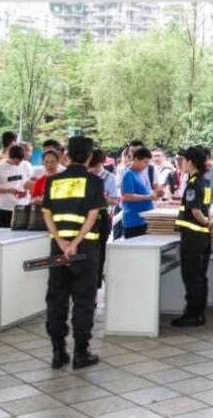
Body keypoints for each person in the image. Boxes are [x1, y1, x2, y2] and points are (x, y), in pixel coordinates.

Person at [40, 137, 103, 370]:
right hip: (84, 249)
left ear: (66, 156)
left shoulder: (53, 181)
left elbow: (47, 215)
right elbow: (92, 217)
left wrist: (61, 241)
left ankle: (58, 353)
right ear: (89, 157)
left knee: (56, 300)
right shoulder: (94, 181)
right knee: (83, 300)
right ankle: (81, 352)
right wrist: (75, 243)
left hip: (58, 249)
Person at [172, 147, 213, 327]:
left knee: (192, 276)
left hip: (193, 237)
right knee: (200, 276)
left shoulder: (193, 183)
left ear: (191, 162)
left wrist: (208, 224)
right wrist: (210, 224)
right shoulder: (204, 181)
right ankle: (198, 313)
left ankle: (193, 314)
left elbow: (196, 211)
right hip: (202, 237)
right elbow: (206, 209)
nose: (181, 163)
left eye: (183, 160)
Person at [88, 149, 117, 285]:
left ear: (103, 162)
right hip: (85, 216)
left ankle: (96, 282)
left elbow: (114, 200)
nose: (94, 169)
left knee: (100, 251)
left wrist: (100, 199)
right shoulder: (85, 176)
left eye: (96, 165)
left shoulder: (110, 178)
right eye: (91, 165)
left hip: (102, 216)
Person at [0, 144, 32, 227]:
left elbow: (29, 182)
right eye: (16, 161)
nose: (19, 164)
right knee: (4, 232)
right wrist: (8, 190)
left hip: (23, 206)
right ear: (10, 157)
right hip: (5, 207)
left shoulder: (26, 165)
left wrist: (26, 191)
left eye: (21, 161)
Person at [120, 147, 158, 238]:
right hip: (134, 221)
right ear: (136, 159)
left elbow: (146, 191)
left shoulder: (142, 173)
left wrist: (155, 194)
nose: (147, 165)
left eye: (148, 162)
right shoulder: (128, 174)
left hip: (145, 219)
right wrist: (149, 197)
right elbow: (127, 196)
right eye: (145, 162)